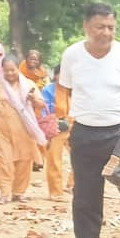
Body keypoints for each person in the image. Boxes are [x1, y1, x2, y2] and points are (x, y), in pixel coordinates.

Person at [60, 0, 120, 238]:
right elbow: (65, 90)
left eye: (111, 27)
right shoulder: (72, 55)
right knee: (85, 193)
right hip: (85, 132)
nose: (106, 33)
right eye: (100, 27)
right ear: (86, 26)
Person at [0, 54, 47, 204]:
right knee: (3, 161)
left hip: (24, 130)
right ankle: (5, 194)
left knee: (24, 161)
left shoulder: (27, 84)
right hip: (1, 129)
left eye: (12, 70)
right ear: (2, 70)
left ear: (17, 69)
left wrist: (33, 99)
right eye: (6, 71)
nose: (10, 73)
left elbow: (41, 104)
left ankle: (19, 192)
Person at [40, 64, 70, 201]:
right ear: (56, 75)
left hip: (74, 126)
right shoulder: (48, 90)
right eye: (60, 74)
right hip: (56, 127)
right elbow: (43, 109)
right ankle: (56, 192)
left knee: (80, 159)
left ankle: (73, 185)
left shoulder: (74, 90)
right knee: (54, 160)